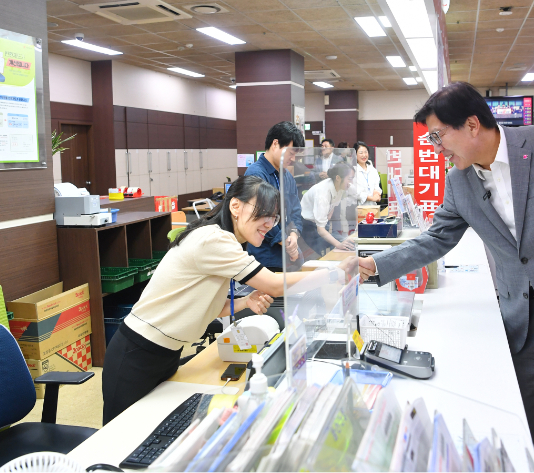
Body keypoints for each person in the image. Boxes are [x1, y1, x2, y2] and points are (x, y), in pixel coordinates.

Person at [358, 82, 534, 472]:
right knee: (523, 433)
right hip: (521, 321)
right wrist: (374, 265)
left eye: (438, 136)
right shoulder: (459, 182)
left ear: (472, 125)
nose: (435, 148)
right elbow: (437, 239)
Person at [102, 177, 324, 424]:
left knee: (150, 434)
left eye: (274, 218)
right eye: (263, 214)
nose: (270, 224)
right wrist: (332, 274)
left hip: (164, 352)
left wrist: (244, 302)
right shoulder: (214, 240)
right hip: (136, 352)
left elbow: (207, 306)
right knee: (119, 440)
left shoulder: (225, 241)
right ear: (236, 207)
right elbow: (273, 284)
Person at [244, 122, 304, 272]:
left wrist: (294, 235)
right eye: (291, 153)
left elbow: (295, 211)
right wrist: (286, 242)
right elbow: (260, 217)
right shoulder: (256, 174)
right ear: (275, 144)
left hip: (287, 251)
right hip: (265, 256)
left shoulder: (287, 176)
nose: (293, 158)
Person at [301, 163, 356, 255]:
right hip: (308, 225)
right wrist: (339, 244)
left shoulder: (341, 185)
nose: (351, 182)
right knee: (321, 255)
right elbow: (320, 229)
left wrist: (342, 240)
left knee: (347, 243)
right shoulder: (322, 194)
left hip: (321, 224)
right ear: (338, 178)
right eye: (349, 179)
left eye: (352, 178)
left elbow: (333, 206)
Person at [354, 141, 381, 206]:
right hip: (359, 207)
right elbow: (355, 192)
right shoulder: (353, 171)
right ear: (354, 154)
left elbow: (377, 186)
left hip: (373, 206)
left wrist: (377, 194)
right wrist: (371, 198)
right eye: (361, 153)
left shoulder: (372, 170)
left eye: (366, 152)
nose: (364, 155)